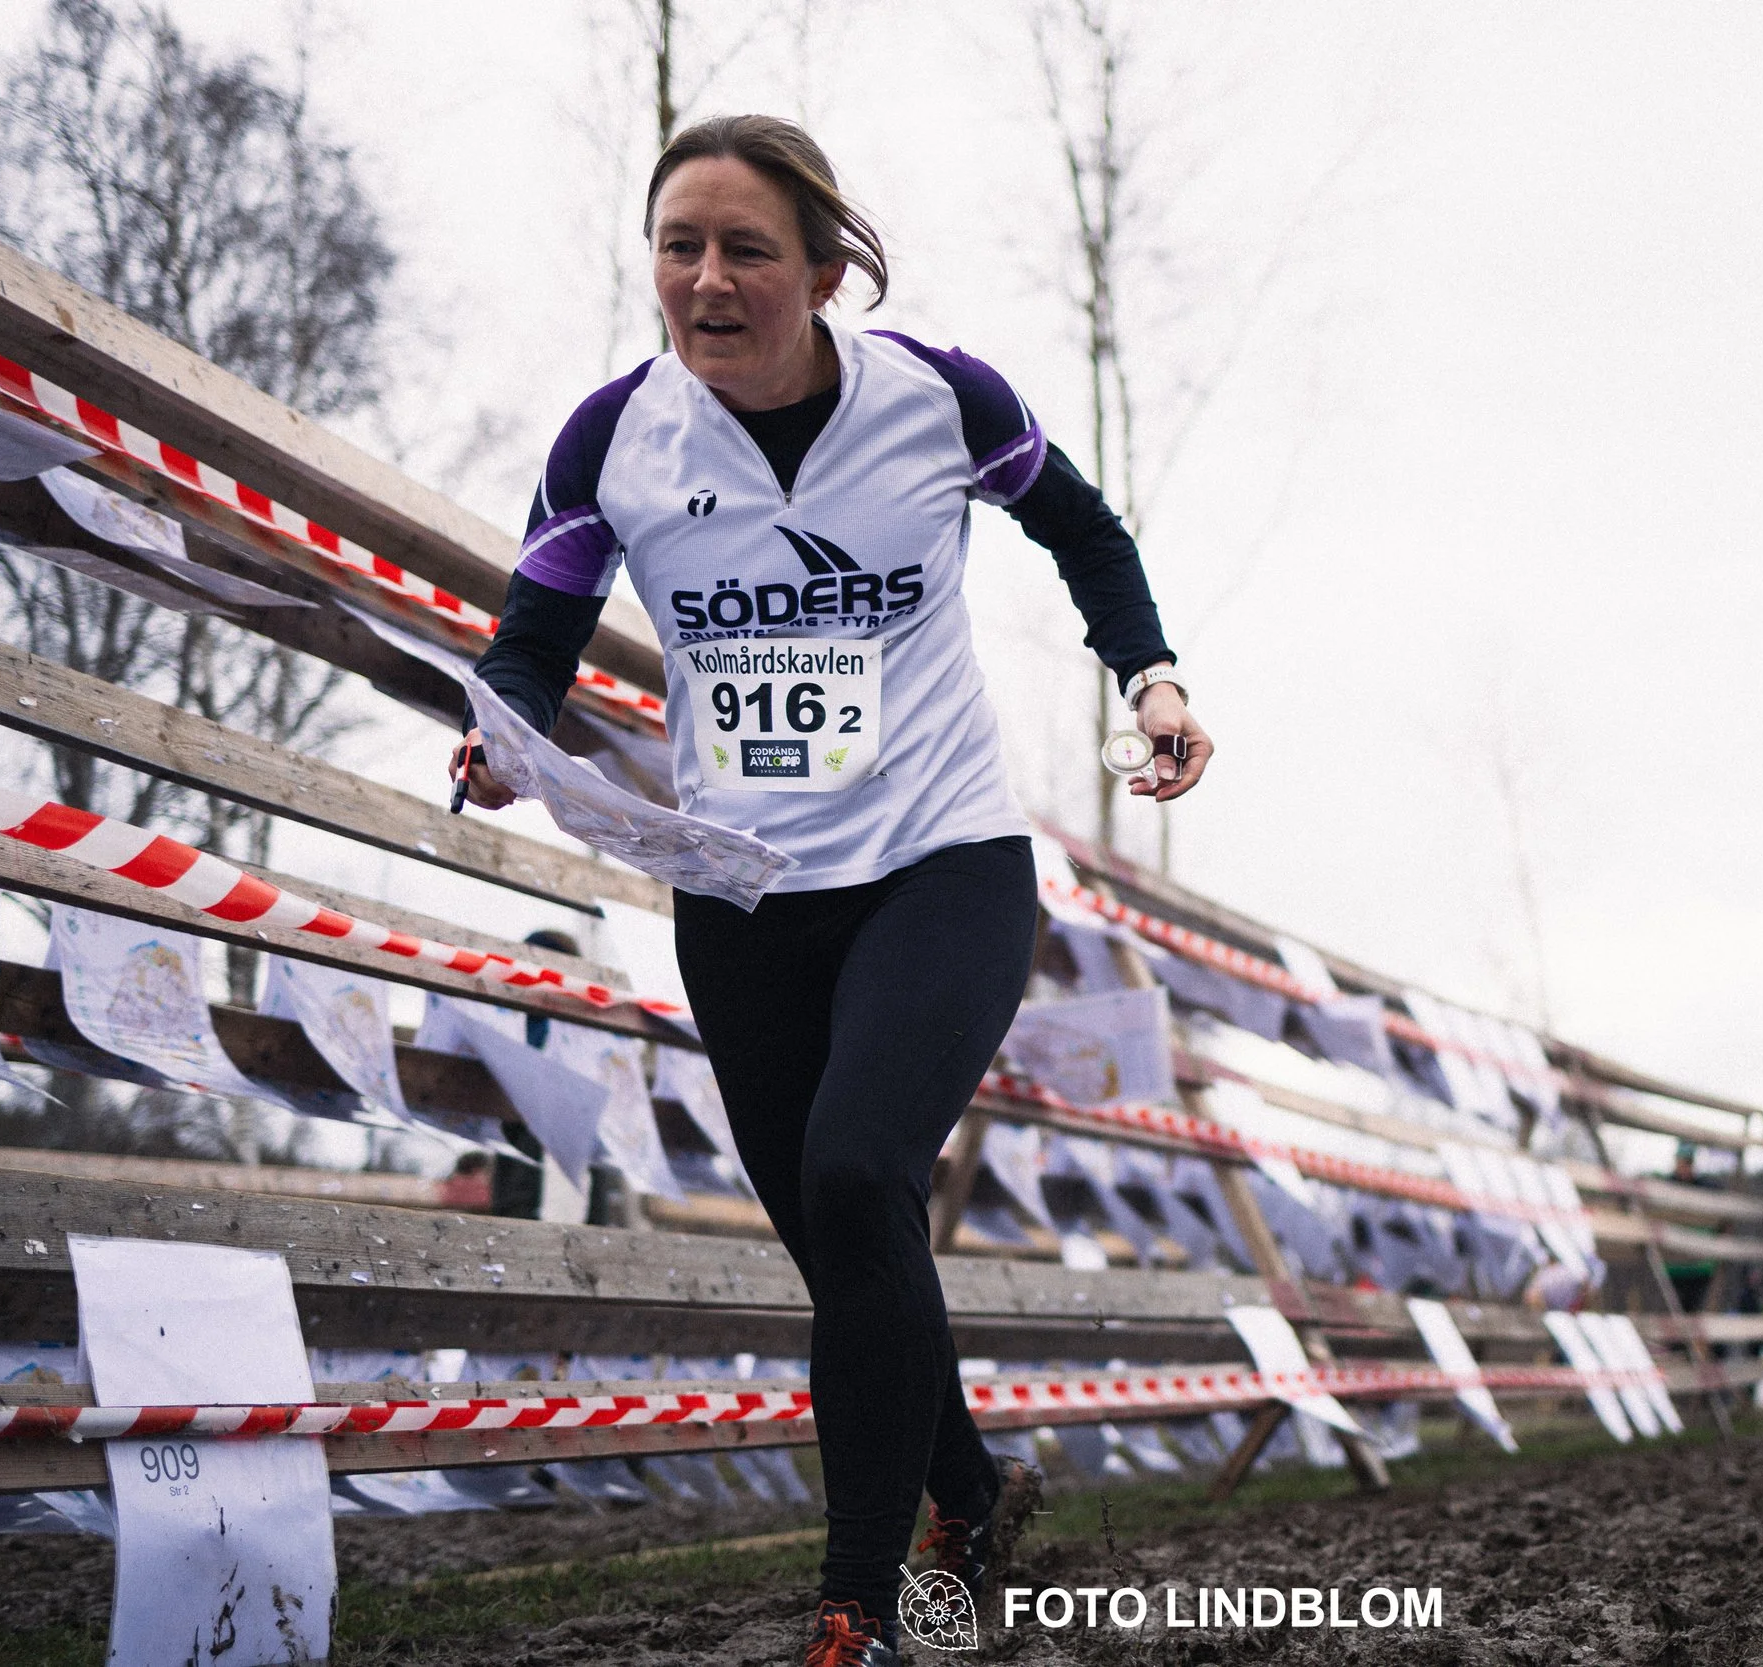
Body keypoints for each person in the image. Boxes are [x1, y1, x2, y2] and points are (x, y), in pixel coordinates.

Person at [459, 116, 1212, 1664]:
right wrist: (504, 731)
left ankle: (859, 1598)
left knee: (866, 1175)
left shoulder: (939, 397)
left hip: (941, 859)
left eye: (746, 249)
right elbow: (534, 630)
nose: (709, 279)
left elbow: (1080, 524)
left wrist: (1149, 679)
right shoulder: (614, 438)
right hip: (742, 888)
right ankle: (974, 1486)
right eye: (681, 246)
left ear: (821, 270)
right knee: (839, 1232)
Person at [1661, 1143, 1721, 1315]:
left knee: (1694, 1311)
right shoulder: (1669, 1185)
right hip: (1674, 1263)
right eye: (1681, 1162)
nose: (1683, 1168)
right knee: (1674, 1311)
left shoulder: (1705, 1186)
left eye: (1687, 1163)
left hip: (1699, 1263)